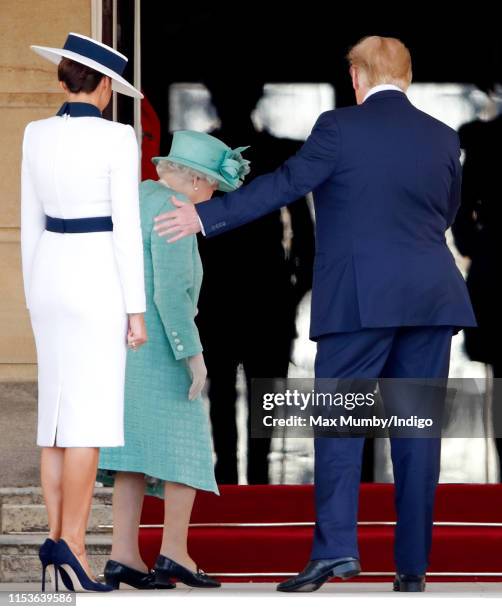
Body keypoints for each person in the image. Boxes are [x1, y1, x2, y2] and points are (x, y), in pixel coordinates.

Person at [153, 36, 476, 593]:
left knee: (341, 428)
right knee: (419, 432)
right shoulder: (443, 138)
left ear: (357, 77)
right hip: (430, 298)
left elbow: (285, 185)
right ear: (407, 76)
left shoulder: (339, 129)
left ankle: (335, 552)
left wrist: (207, 218)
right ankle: (412, 566)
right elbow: (444, 212)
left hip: (358, 300)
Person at [98, 130, 250, 589]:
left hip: (124, 343)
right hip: (161, 343)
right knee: (187, 450)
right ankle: (174, 552)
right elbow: (171, 293)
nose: (209, 200)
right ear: (196, 182)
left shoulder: (137, 198)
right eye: (210, 190)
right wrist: (194, 356)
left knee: (133, 452)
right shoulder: (174, 213)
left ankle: (123, 554)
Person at [22, 33, 146, 592]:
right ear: (100, 86)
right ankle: (71, 544)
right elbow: (125, 228)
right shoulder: (119, 137)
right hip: (97, 277)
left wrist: (32, 292)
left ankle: (57, 543)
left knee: (54, 419)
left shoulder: (35, 133)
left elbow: (29, 224)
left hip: (48, 275)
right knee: (88, 420)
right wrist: (136, 309)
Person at [195, 79, 314, 484]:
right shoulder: (277, 153)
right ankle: (256, 478)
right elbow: (304, 234)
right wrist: (295, 287)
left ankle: (226, 475)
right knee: (262, 391)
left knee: (223, 391)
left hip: (219, 285)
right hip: (265, 285)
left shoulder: (201, 154)